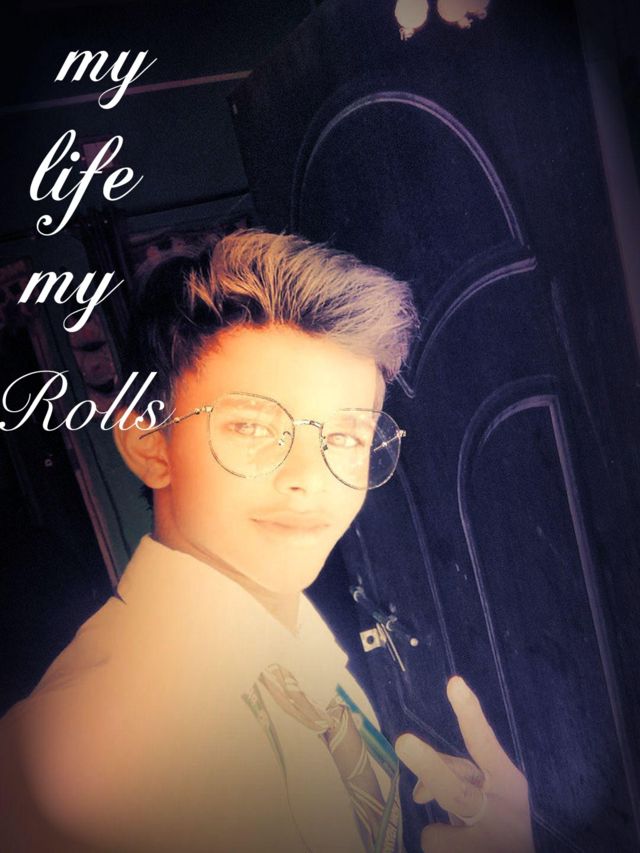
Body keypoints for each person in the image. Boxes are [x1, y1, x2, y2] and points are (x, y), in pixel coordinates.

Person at [0, 230, 534, 852]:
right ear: (150, 445)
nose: (310, 477)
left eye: (346, 436)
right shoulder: (80, 766)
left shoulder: (298, 643)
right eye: (253, 427)